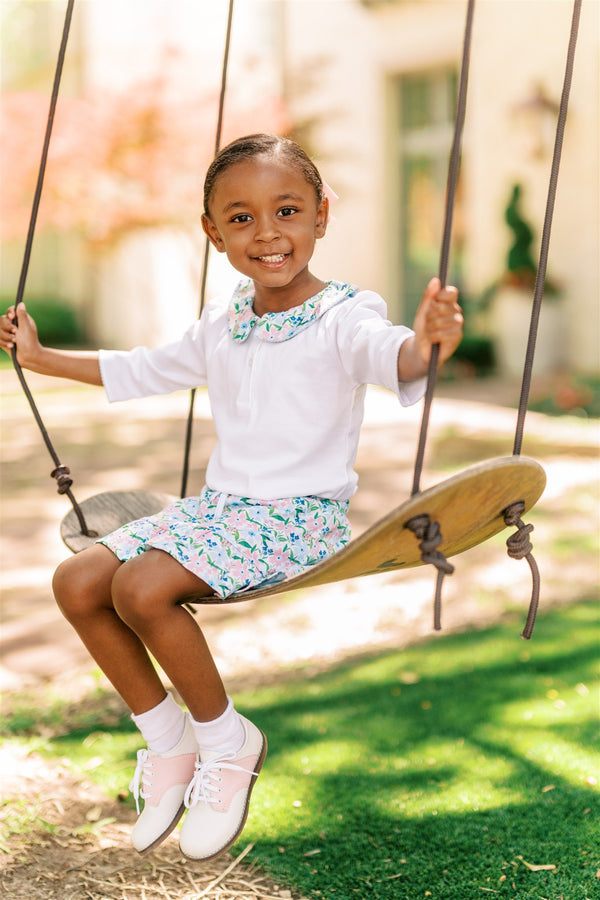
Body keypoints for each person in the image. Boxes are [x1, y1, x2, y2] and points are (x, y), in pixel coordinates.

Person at [0, 133, 463, 861]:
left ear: (321, 216)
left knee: (143, 586)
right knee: (79, 580)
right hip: (221, 514)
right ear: (213, 232)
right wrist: (40, 357)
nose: (268, 233)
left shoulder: (346, 315)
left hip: (299, 519)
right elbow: (143, 368)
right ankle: (169, 740)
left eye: (287, 210)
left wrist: (427, 344)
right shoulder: (225, 322)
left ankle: (228, 742)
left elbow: (390, 352)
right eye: (241, 218)